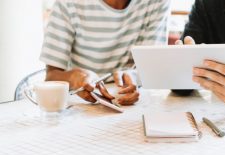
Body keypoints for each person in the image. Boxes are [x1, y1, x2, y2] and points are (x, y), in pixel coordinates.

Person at [40, 0, 170, 105]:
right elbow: (51, 76)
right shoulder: (67, 3)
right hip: (81, 105)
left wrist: (135, 76)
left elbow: (153, 69)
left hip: (132, 103)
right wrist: (75, 78)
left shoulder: (157, 2)